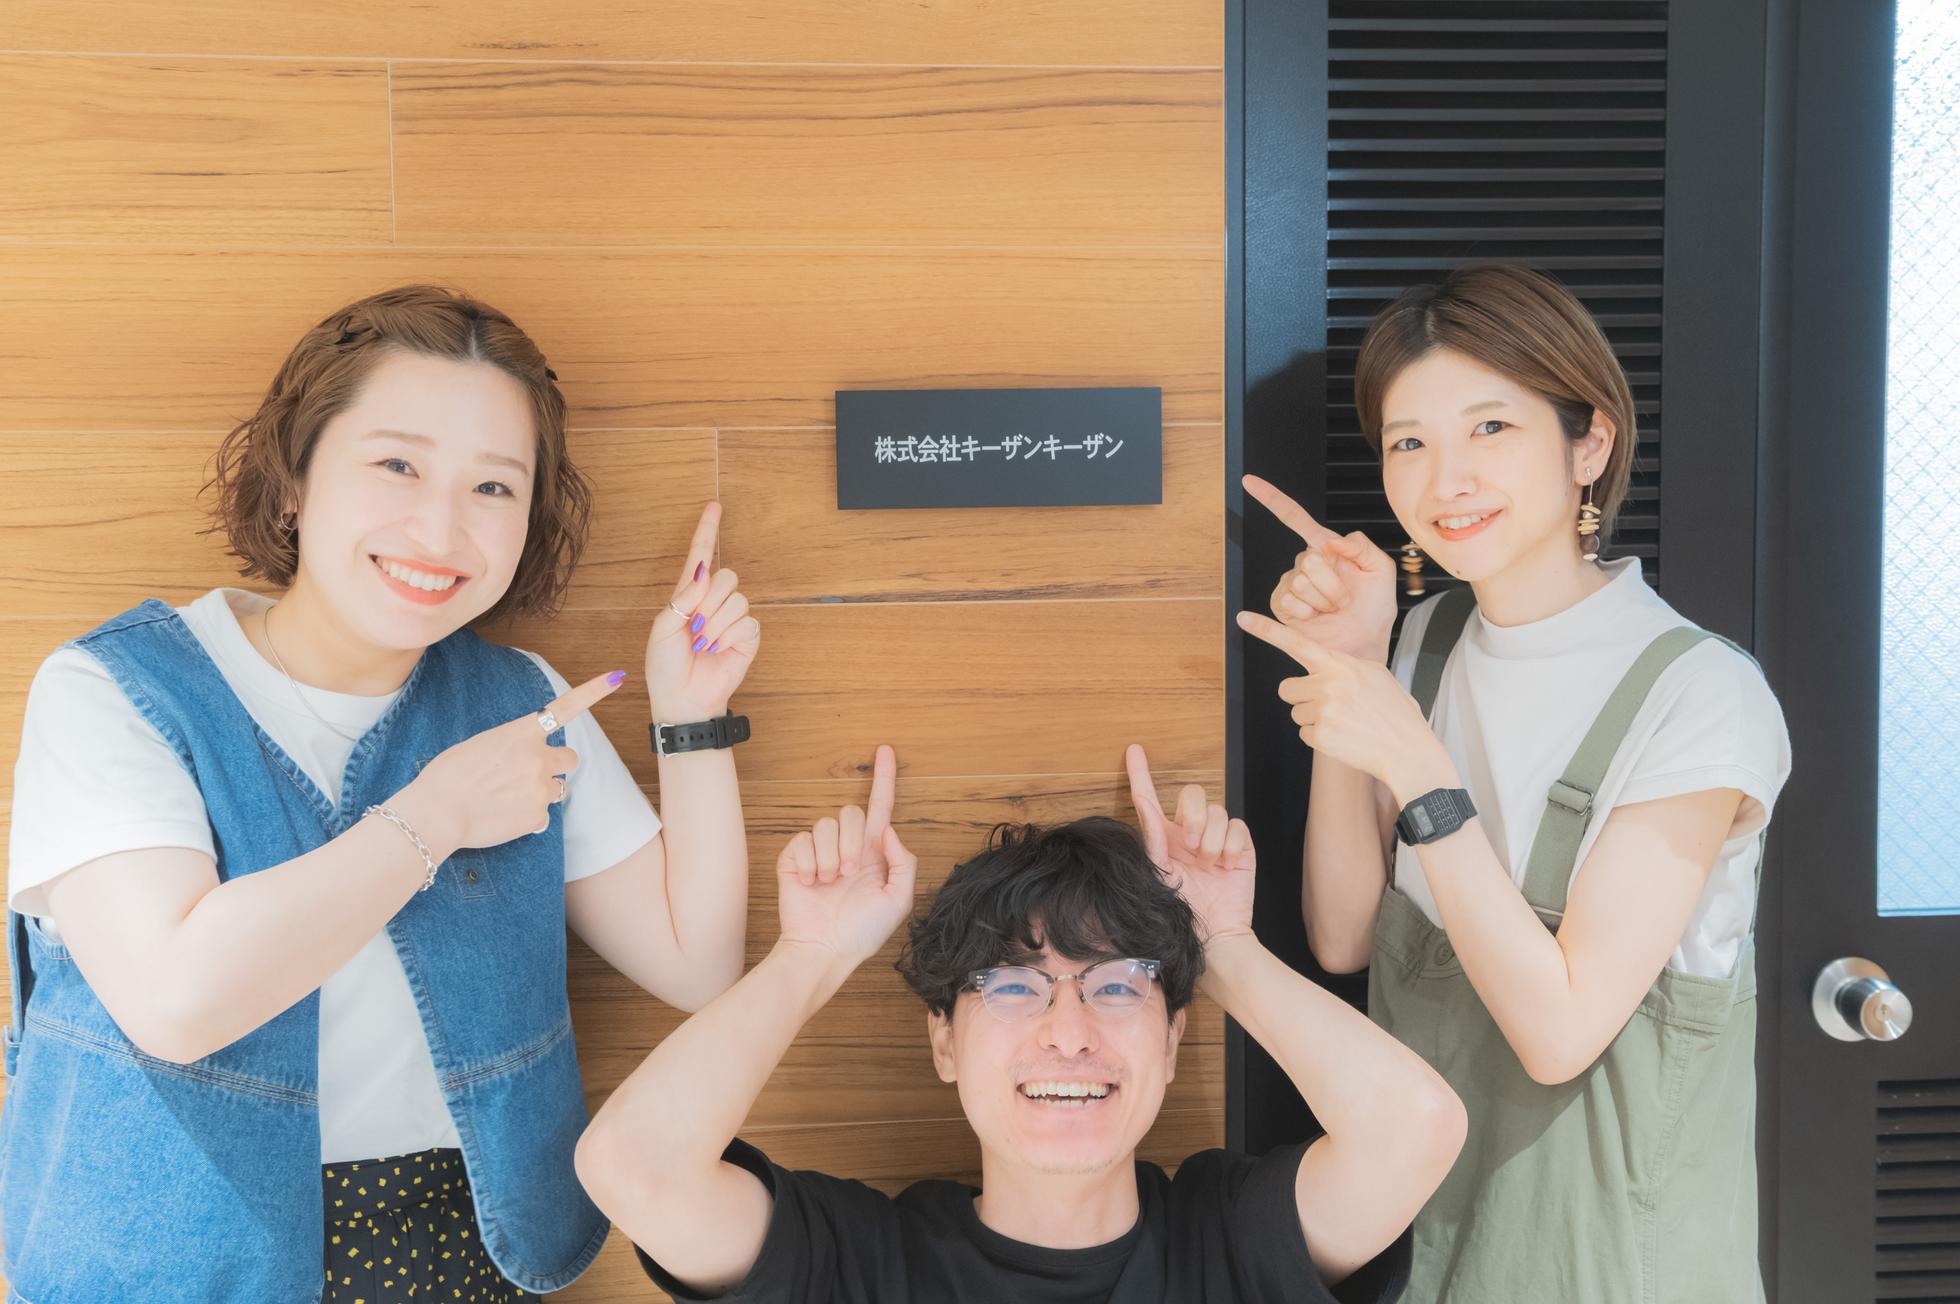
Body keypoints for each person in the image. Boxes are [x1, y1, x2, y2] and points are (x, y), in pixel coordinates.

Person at [2, 285, 760, 1302]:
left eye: (493, 486)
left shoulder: (524, 701)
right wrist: (435, 815)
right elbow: (176, 1002)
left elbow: (696, 962)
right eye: (397, 464)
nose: (441, 529)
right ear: (293, 478)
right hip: (171, 1262)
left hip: (460, 1250)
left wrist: (689, 715)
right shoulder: (114, 689)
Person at [1238, 261, 1792, 1302]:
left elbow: (1559, 1033)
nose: (1445, 479)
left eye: (1490, 428)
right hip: (1427, 1239)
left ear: (1589, 445)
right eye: (1408, 442)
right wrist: (1353, 668)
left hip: (1609, 1265)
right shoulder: (1427, 640)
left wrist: (1416, 765)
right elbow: (1343, 937)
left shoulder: (1701, 696)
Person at [574, 743, 1465, 1303]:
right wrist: (809, 955)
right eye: (1011, 987)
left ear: (1172, 1040)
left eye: (1116, 986)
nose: (1068, 1032)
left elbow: (1416, 1129)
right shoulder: (860, 1266)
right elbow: (631, 1166)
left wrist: (1224, 943)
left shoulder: (1228, 1244)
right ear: (944, 1042)